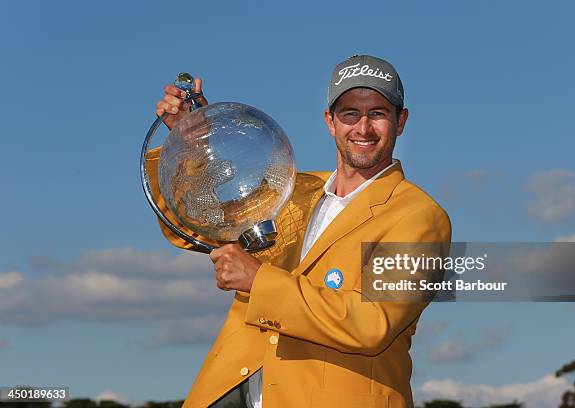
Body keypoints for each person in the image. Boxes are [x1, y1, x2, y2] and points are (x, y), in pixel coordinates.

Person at [147, 55, 451, 408]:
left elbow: (371, 323)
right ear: (330, 122)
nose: (363, 128)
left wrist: (259, 280)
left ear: (401, 121)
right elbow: (192, 226)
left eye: (378, 114)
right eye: (350, 114)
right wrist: (189, 142)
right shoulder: (291, 189)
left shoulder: (420, 216)